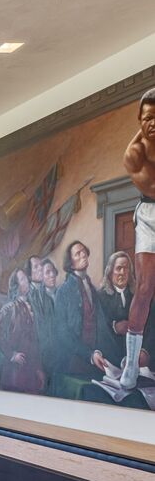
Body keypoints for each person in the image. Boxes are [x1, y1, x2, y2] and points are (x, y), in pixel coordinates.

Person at [120, 87, 155, 388]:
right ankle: (131, 363)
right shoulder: (134, 154)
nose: (152, 123)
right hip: (148, 214)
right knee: (144, 288)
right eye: (147, 118)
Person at [55, 241, 107, 375]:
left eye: (84, 251)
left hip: (95, 359)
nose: (83, 255)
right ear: (71, 263)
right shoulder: (63, 291)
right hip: (73, 362)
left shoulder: (92, 289)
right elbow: (62, 333)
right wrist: (88, 354)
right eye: (78, 253)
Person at [0, 269, 45, 393]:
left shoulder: (32, 306)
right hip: (14, 372)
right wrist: (12, 354)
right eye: (22, 279)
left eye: (26, 278)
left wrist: (38, 368)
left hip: (31, 368)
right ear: (16, 285)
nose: (27, 281)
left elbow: (35, 341)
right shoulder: (9, 308)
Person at [94, 251, 134, 366]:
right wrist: (115, 327)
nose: (122, 272)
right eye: (119, 268)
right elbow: (98, 328)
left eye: (126, 268)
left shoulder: (136, 295)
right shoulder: (100, 296)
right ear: (110, 272)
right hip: (110, 358)